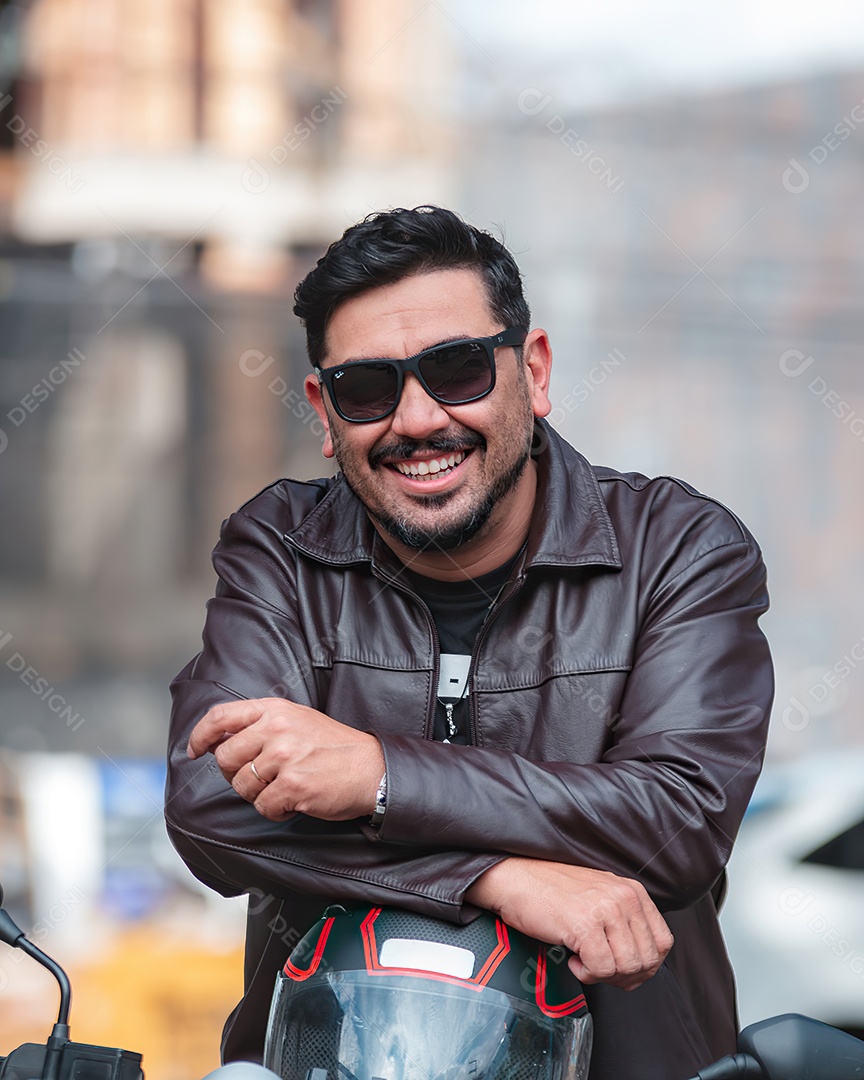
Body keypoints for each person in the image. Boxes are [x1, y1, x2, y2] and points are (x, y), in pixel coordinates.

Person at [165, 205, 774, 1080]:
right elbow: (208, 805)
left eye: (455, 370)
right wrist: (497, 877)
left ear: (533, 370)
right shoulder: (282, 549)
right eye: (367, 388)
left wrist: (374, 777)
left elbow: (672, 824)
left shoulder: (677, 550)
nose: (415, 420)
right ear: (325, 414)